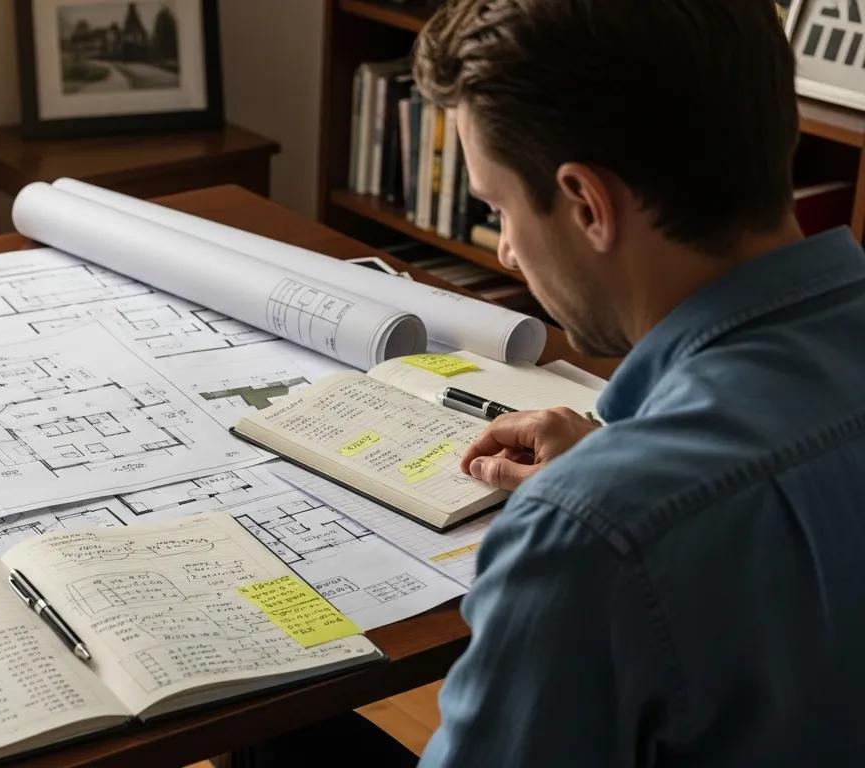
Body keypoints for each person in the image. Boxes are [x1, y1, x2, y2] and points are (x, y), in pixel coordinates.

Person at [236, 0, 865, 765]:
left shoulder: (588, 535)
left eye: (499, 207)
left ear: (586, 204)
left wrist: (605, 504)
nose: (504, 252)